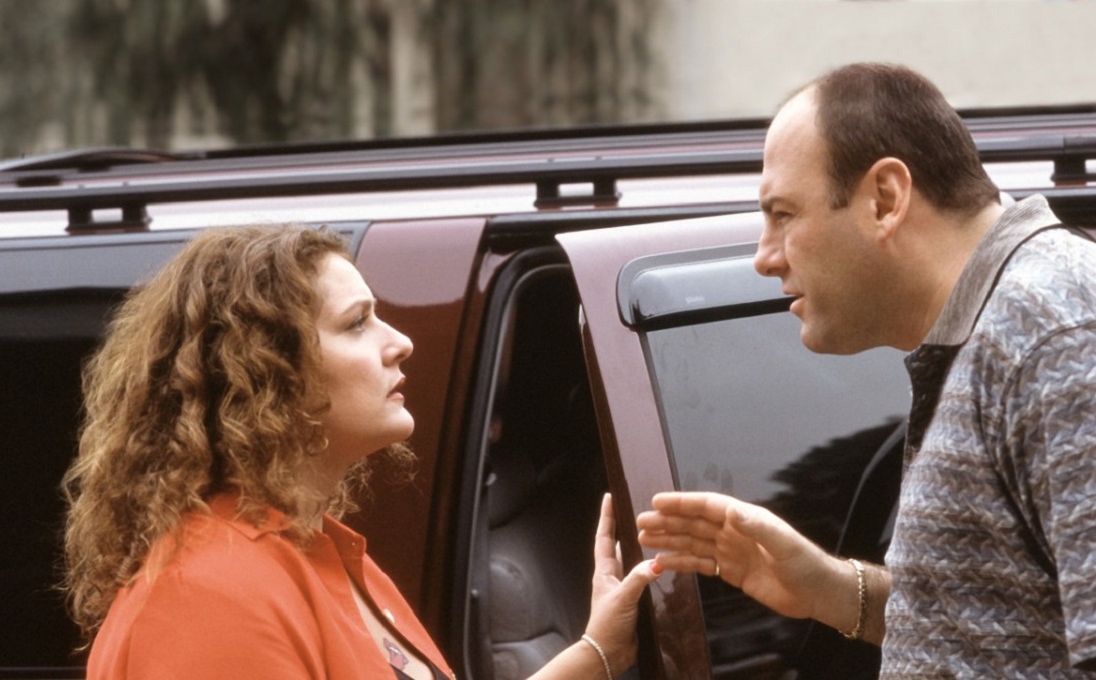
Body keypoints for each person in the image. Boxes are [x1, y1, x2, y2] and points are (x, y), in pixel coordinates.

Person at [637, 62, 1096, 678]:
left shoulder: (1058, 330)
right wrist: (829, 589)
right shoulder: (1008, 330)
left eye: (783, 214)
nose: (764, 257)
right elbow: (994, 626)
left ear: (885, 199)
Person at [62, 224, 661, 680]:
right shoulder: (206, 596)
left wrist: (597, 653)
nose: (400, 342)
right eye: (357, 323)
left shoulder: (317, 552)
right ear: (267, 370)